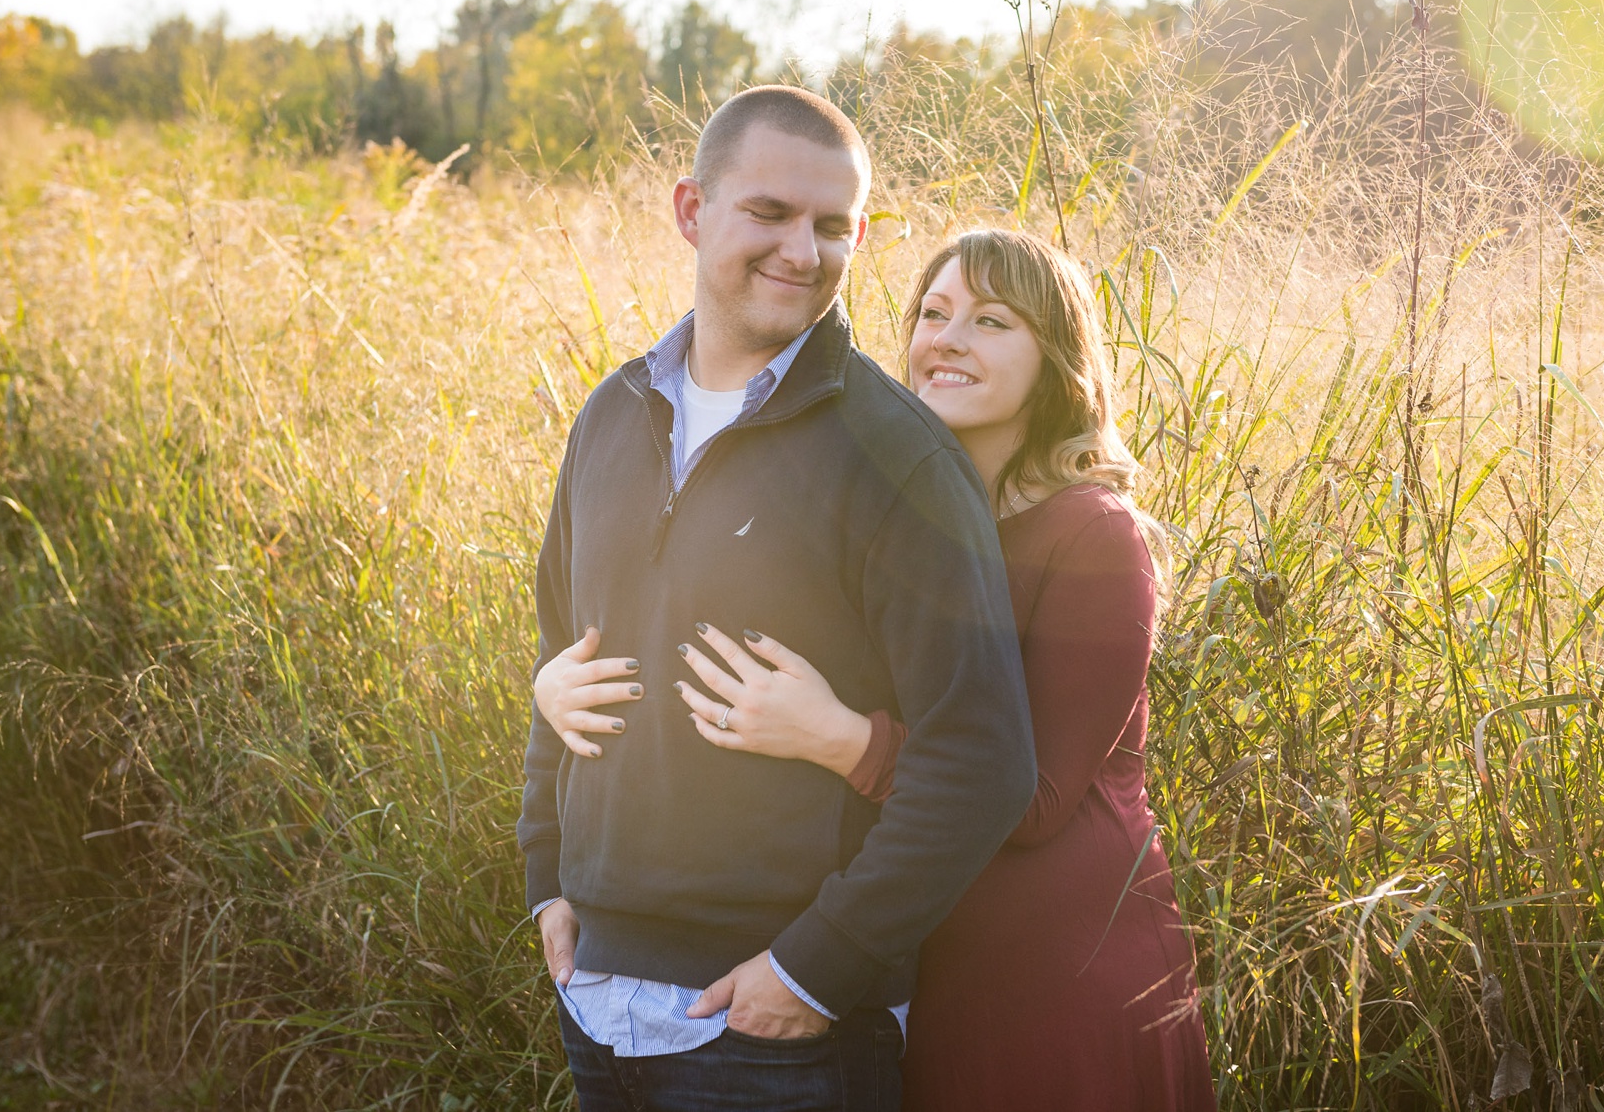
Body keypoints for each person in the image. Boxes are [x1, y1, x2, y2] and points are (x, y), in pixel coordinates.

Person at [537, 228, 1219, 1111]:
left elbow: (1035, 793)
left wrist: (844, 740)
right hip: (913, 939)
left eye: (991, 320)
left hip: (1048, 954)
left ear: (1056, 361)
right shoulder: (892, 495)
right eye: (934, 313)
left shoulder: (1093, 533)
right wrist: (552, 686)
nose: (949, 338)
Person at [517, 86, 1037, 1112]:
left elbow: (983, 761)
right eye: (770, 213)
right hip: (598, 1002)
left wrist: (816, 967)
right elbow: (557, 669)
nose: (803, 251)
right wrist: (546, 878)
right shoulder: (609, 419)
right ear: (690, 210)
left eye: (832, 226)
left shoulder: (895, 457)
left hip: (777, 1039)